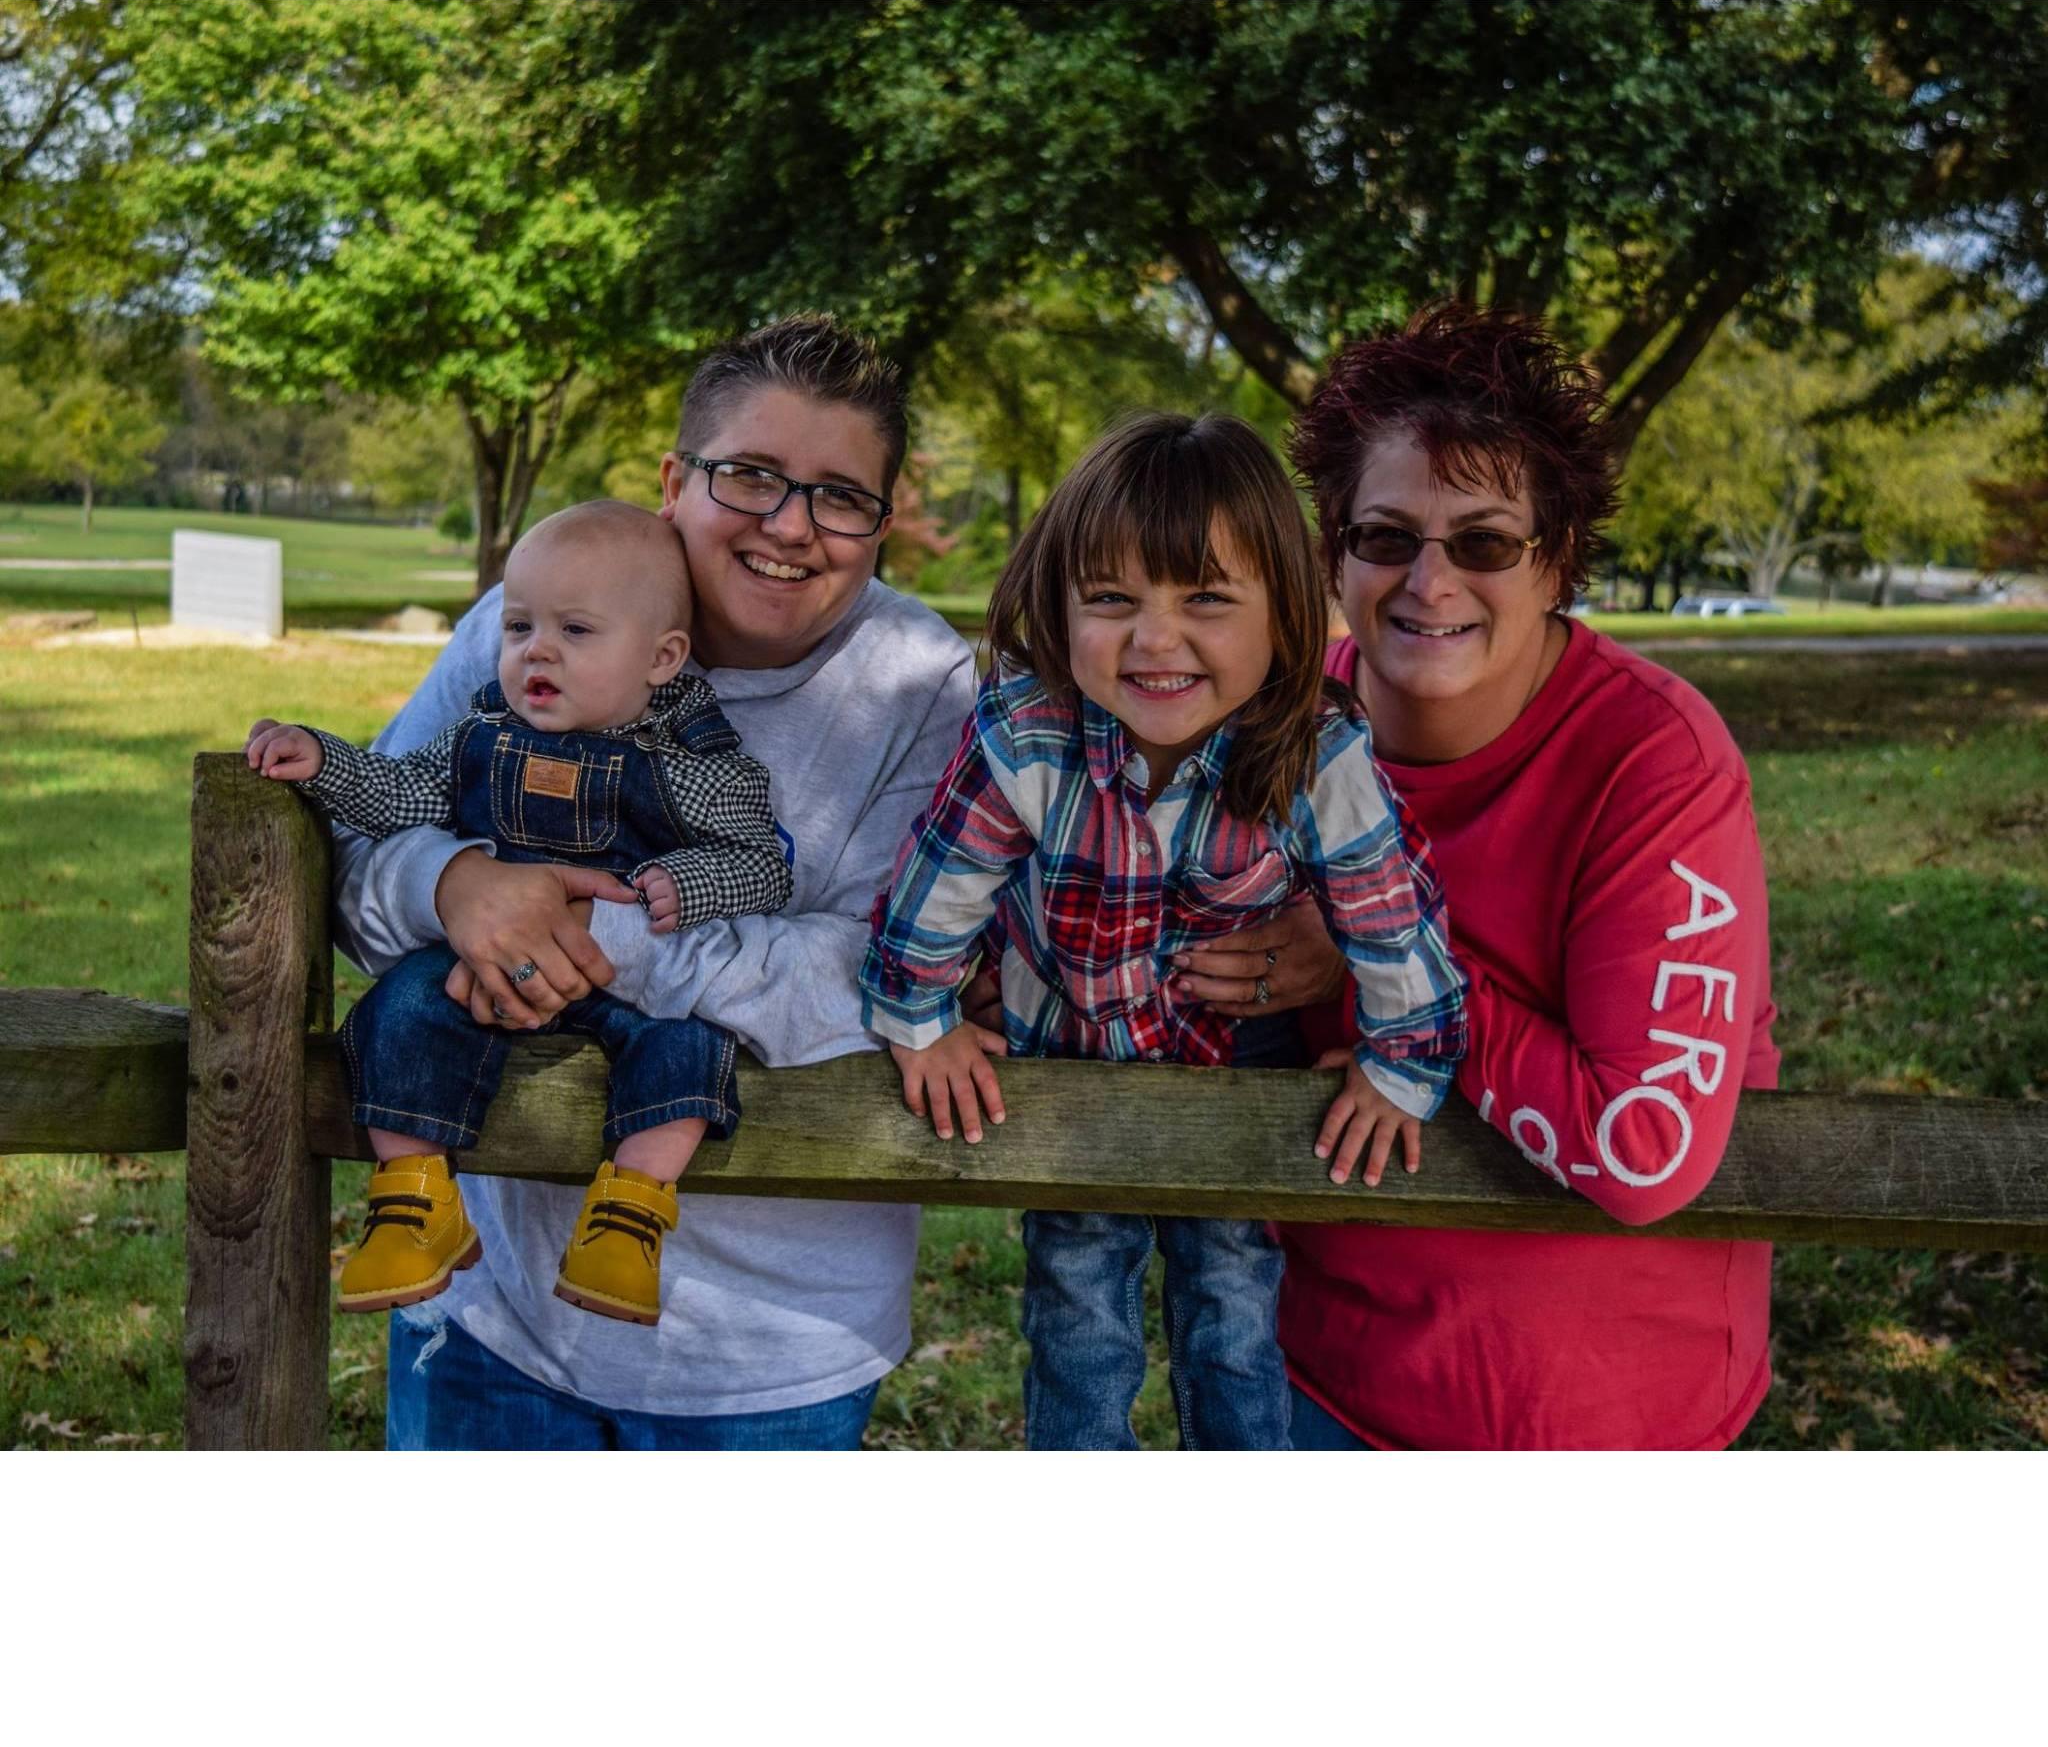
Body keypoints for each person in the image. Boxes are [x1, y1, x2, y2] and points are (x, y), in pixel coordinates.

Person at [332, 316, 976, 1448]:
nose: (789, 525)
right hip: (492, 1317)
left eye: (839, 494)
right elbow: (355, 841)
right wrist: (454, 885)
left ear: (880, 521)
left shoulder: (919, 683)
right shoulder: (530, 617)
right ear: (675, 478)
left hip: (771, 1351)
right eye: (750, 476)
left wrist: (579, 926)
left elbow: (880, 964)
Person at [1172, 303, 1780, 1450]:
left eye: (1485, 541)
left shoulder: (1652, 759)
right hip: (1311, 1385)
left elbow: (1640, 1147)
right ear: (1330, 554)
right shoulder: (1273, 726)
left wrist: (1366, 953)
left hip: (1607, 1412)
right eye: (1386, 536)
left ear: (1556, 561)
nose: (1428, 581)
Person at [861, 412, 1467, 1449]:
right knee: (1077, 1307)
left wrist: (1399, 1062)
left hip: (1236, 1069)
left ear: (1283, 612)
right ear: (1059, 603)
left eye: (1206, 600)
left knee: (1231, 1302)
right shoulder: (1026, 734)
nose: (1153, 639)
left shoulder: (1315, 750)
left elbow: (1393, 919)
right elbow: (934, 895)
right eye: (1110, 599)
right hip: (1068, 1065)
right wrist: (922, 1015)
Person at [246, 500, 791, 1326]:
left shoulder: (690, 772)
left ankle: (632, 1212)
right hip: (486, 962)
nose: (536, 649)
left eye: (576, 631)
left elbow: (763, 863)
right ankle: (415, 1199)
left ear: (661, 658)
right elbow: (397, 798)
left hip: (628, 973)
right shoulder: (478, 741)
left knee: (690, 1043)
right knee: (399, 1010)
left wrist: (694, 882)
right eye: (517, 627)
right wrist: (325, 761)